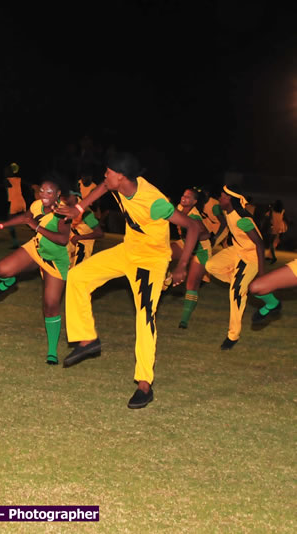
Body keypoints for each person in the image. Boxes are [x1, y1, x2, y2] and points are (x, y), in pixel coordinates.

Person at [55, 152, 203, 409]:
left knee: (145, 315)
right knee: (77, 275)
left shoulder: (155, 202)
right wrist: (78, 208)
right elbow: (102, 187)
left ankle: (144, 384)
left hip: (151, 261)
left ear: (121, 177)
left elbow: (193, 227)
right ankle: (87, 339)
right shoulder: (119, 185)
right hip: (128, 250)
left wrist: (182, 265)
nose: (104, 176)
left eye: (109, 172)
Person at [0, 173, 71, 364]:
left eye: (49, 192)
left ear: (58, 194)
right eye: (42, 190)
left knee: (50, 305)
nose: (44, 194)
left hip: (56, 260)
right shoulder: (36, 205)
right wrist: (0, 226)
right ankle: (10, 281)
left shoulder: (63, 213)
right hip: (37, 249)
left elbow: (62, 240)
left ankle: (52, 351)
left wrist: (36, 227)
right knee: (1, 269)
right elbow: (26, 217)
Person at [204, 186, 281, 349]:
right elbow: (225, 225)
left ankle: (233, 336)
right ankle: (243, 286)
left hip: (251, 256)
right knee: (211, 266)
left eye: (222, 196)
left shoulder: (242, 219)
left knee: (236, 292)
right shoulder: (227, 211)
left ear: (230, 200)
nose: (219, 198)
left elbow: (260, 244)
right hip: (237, 251)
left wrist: (262, 275)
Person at [169, 187, 212, 329]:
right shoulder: (179, 208)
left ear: (194, 202)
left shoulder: (195, 217)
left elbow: (206, 234)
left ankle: (184, 320)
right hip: (185, 243)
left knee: (191, 285)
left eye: (188, 197)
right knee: (162, 254)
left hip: (201, 249)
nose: (183, 198)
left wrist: (193, 238)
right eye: (183, 195)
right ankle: (165, 281)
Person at [63, 190, 103, 268]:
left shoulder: (86, 213)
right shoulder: (69, 208)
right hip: (73, 244)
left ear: (74, 197)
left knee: (76, 271)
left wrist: (78, 237)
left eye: (67, 197)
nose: (64, 199)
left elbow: (99, 233)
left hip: (83, 247)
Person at [4, 162, 26, 249]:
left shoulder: (6, 180)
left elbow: (8, 185)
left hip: (13, 203)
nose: (5, 172)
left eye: (6, 171)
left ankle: (15, 243)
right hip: (21, 201)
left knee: (9, 223)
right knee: (28, 220)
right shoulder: (19, 179)